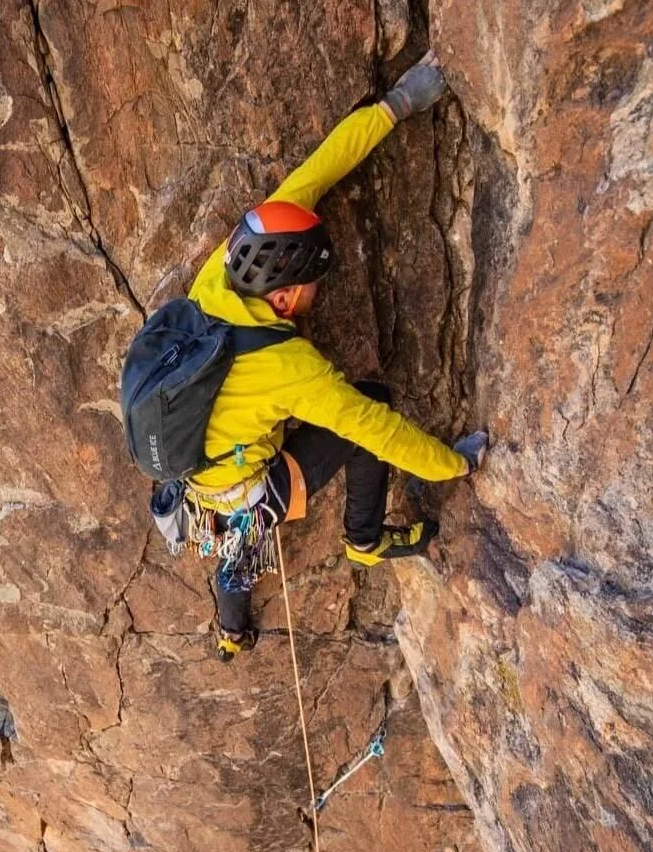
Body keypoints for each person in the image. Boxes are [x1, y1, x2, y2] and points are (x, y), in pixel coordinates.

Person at [183, 51, 488, 660]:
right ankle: (364, 539)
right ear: (289, 293)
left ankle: (230, 634)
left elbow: (313, 176)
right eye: (314, 288)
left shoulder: (219, 273)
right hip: (246, 483)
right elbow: (377, 430)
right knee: (370, 402)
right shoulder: (290, 369)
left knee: (231, 558)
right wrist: (456, 467)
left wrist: (396, 106)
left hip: (193, 468)